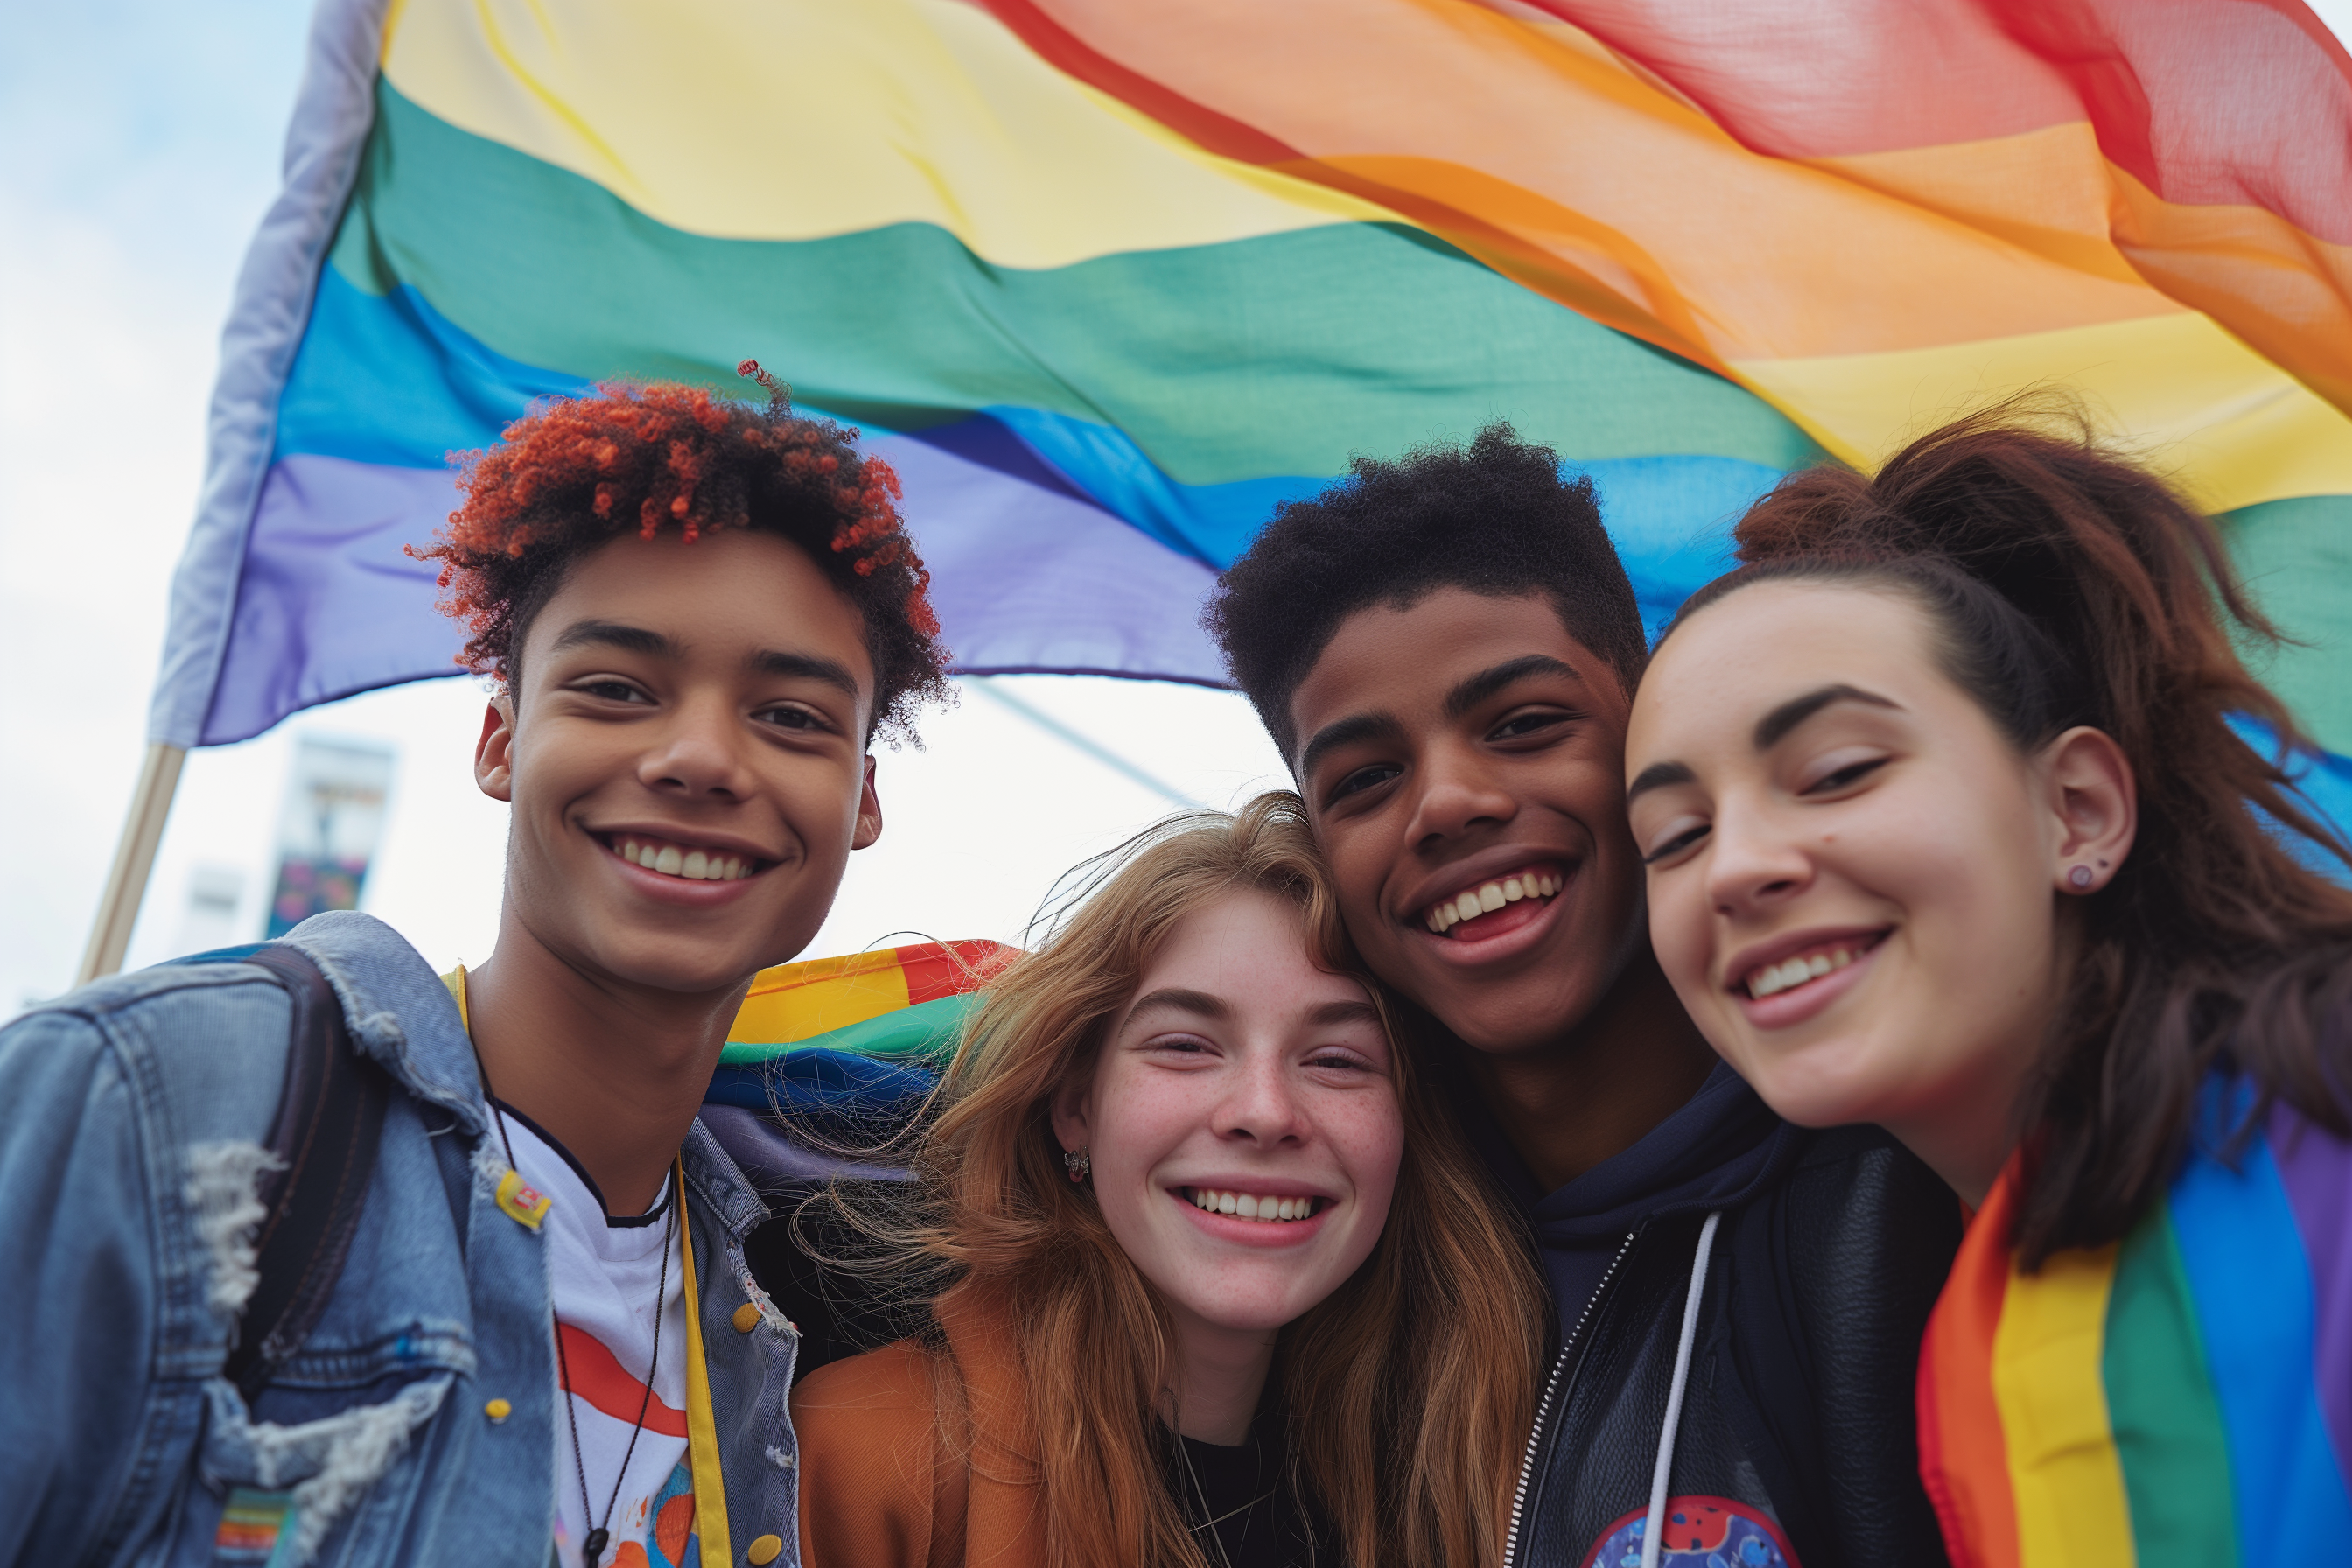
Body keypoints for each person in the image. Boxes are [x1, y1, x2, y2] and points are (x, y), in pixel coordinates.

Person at [0, 367, 948, 1568]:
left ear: (863, 799)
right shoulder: (161, 1103)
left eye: (794, 718)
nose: (703, 757)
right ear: (502, 740)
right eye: (616, 690)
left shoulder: (769, 1318)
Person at [1206, 426, 1961, 1566]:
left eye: (1523, 725)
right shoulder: (1309, 1265)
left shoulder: (1920, 1179)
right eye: (1366, 779)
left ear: (1654, 739)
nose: (1447, 801)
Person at [1624, 408, 2352, 1562]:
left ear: (2078, 810)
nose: (1737, 867)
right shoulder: (1989, 1307)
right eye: (1673, 835)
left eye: (1838, 771)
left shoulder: (2317, 1130)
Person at [789, 794, 1548, 1568]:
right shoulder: (865, 1455)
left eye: (1337, 1059)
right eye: (1186, 1045)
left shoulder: (1486, 1483)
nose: (1264, 1112)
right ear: (1075, 1107)